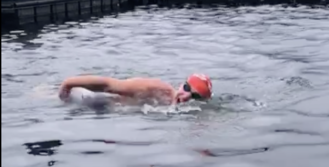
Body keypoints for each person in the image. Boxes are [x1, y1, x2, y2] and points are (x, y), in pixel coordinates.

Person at [58, 73, 213, 106]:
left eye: (195, 97)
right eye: (186, 88)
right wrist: (68, 83)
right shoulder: (155, 90)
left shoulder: (171, 105)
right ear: (181, 83)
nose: (185, 97)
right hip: (92, 99)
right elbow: (108, 85)